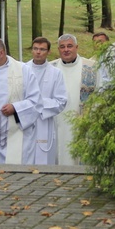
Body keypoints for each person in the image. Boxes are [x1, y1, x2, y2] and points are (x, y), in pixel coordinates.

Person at [0, 39, 41, 164]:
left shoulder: (23, 70)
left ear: (1, 53)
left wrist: (16, 108)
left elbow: (36, 102)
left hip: (16, 135)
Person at [50, 34, 97, 165]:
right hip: (57, 122)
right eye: (62, 47)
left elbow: (99, 95)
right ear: (58, 49)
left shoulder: (91, 67)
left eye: (70, 46)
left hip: (82, 121)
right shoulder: (50, 68)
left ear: (77, 47)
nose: (66, 50)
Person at [25, 37, 67, 165]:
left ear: (48, 52)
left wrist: (37, 104)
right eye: (35, 49)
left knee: (44, 159)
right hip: (25, 120)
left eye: (42, 49)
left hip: (45, 122)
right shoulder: (22, 69)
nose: (38, 52)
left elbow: (61, 101)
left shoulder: (56, 73)